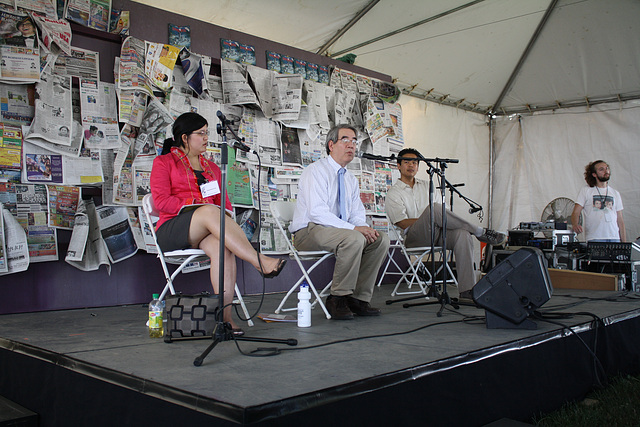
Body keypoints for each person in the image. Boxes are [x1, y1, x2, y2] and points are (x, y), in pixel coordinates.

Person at [150, 112, 286, 335]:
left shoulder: (212, 168)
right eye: (201, 133)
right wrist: (196, 204)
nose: (206, 138)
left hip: (206, 229)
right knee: (209, 211)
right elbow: (162, 202)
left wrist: (219, 212)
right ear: (184, 137)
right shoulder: (164, 163)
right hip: (172, 229)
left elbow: (225, 204)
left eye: (207, 133)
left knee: (223, 248)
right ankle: (257, 260)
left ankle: (226, 319)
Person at [290, 124, 390, 320]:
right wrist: (354, 229)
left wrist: (362, 228)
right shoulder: (316, 171)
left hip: (336, 232)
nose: (351, 145)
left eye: (354, 141)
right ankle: (338, 298)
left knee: (380, 240)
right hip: (308, 232)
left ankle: (358, 299)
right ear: (331, 145)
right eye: (345, 140)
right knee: (353, 238)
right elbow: (317, 213)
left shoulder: (350, 179)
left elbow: (356, 212)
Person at [386, 148, 506, 301]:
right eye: (406, 161)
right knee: (433, 209)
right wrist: (428, 218)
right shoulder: (394, 193)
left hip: (436, 233)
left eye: (415, 162)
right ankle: (479, 231)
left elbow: (444, 213)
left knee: (462, 234)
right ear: (398, 165)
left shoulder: (427, 185)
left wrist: (434, 218)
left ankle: (467, 291)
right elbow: (402, 222)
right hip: (414, 237)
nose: (411, 165)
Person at [571, 160, 625, 242]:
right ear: (594, 174)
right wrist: (575, 224)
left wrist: (624, 243)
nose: (606, 171)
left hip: (614, 237)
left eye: (607, 168)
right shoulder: (586, 191)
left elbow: (620, 219)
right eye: (601, 169)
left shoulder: (615, 193)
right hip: (594, 237)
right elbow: (576, 212)